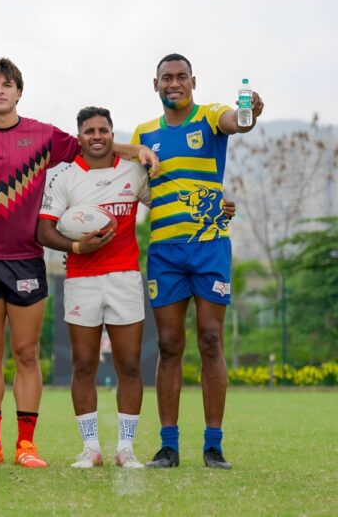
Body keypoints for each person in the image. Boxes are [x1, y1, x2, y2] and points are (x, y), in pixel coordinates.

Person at [0, 58, 159, 468]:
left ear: (19, 92)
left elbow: (94, 145)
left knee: (26, 353)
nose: (0, 91)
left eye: (7, 85)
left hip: (26, 260)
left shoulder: (43, 135)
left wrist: (136, 150)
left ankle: (26, 445)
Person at [131, 53, 264, 469]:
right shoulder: (144, 133)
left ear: (193, 81)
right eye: (166, 78)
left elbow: (236, 122)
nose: (174, 83)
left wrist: (250, 114)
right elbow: (137, 189)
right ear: (155, 85)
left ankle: (213, 445)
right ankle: (168, 446)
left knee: (210, 339)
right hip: (165, 251)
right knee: (169, 345)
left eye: (181, 77)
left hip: (210, 247)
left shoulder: (209, 116)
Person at [37, 106, 151, 469]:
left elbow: (164, 204)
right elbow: (43, 230)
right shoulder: (65, 177)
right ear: (80, 137)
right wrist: (76, 247)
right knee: (84, 364)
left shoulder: (134, 171)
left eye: (103, 130)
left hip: (125, 278)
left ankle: (126, 448)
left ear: (112, 135)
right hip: (81, 281)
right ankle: (90, 449)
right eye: (90, 131)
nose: (97, 136)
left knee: (129, 365)